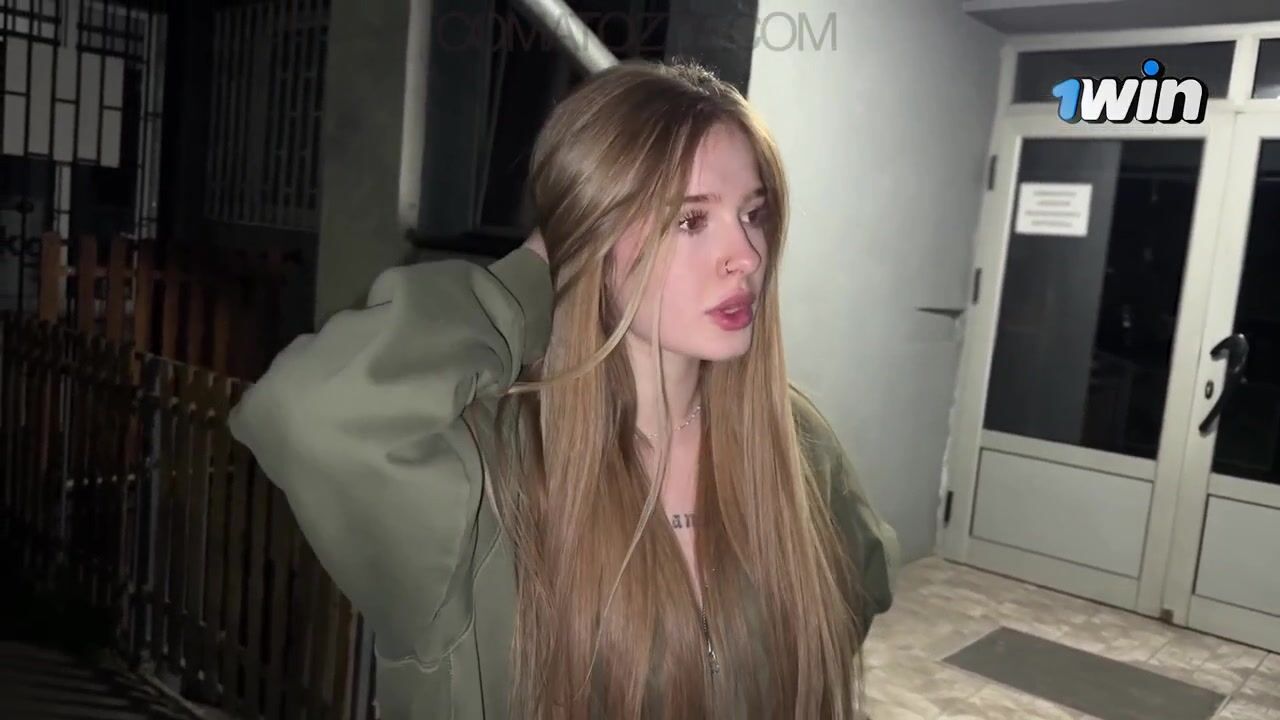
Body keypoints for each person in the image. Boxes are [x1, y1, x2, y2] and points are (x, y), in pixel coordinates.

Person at [227, 58, 897, 720]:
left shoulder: (796, 442)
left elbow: (854, 596)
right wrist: (539, 269)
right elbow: (308, 414)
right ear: (592, 231)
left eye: (754, 213)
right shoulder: (487, 470)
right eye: (689, 221)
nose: (746, 256)